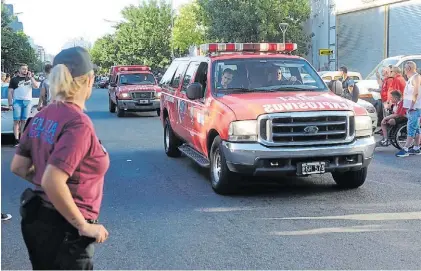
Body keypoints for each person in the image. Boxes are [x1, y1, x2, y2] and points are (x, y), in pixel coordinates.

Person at [10, 47, 110, 270]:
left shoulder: (44, 114)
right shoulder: (78, 123)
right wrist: (83, 226)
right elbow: (52, 181)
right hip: (66, 230)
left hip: (39, 221)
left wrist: (49, 184)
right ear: (89, 80)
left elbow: (19, 167)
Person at [8, 64, 39, 146]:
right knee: (16, 121)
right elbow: (10, 92)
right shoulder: (14, 80)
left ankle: (22, 139)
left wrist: (31, 77)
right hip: (17, 101)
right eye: (23, 69)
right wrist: (10, 104)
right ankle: (16, 140)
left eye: (26, 69)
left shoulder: (29, 79)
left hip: (27, 102)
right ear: (19, 70)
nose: (25, 70)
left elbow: (36, 86)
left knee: (24, 121)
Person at [396, 61, 421, 157]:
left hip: (414, 108)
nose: (404, 71)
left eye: (405, 68)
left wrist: (412, 106)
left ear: (409, 68)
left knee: (411, 127)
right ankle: (416, 148)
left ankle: (406, 148)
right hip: (413, 108)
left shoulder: (416, 77)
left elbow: (416, 92)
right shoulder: (412, 78)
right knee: (416, 128)